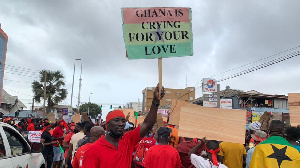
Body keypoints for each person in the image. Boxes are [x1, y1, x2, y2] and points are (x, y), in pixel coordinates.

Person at [82, 85, 165, 168]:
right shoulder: (93, 150)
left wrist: (155, 102)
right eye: (116, 120)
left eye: (123, 121)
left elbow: (147, 124)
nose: (121, 124)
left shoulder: (128, 140)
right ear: (107, 125)